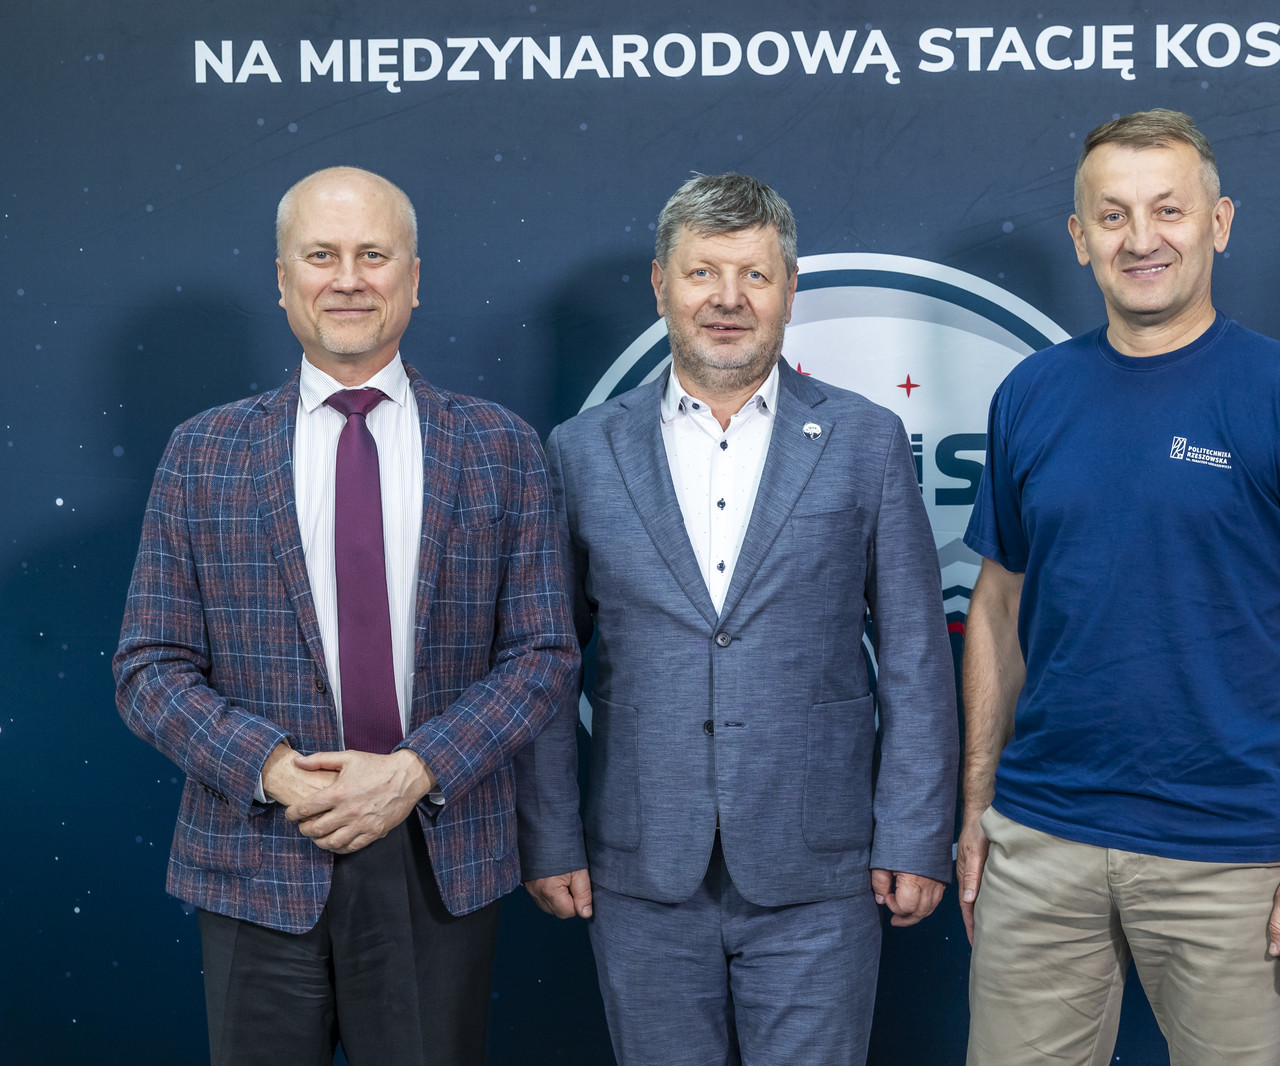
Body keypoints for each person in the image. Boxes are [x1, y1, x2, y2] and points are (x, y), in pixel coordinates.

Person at [958, 110, 1280, 1066]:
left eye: (1169, 209)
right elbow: (995, 610)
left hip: (1232, 854)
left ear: (1219, 222)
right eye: (1113, 215)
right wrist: (977, 810)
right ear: (1080, 237)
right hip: (1041, 842)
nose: (1142, 239)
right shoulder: (1030, 394)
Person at [113, 166, 578, 1065]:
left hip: (437, 856)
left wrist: (414, 771)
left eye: (374, 254)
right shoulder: (202, 453)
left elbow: (542, 655)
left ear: (414, 277)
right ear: (283, 278)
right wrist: (274, 771)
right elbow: (148, 667)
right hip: (256, 858)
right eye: (321, 256)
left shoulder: (500, 446)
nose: (349, 279)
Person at [515, 172, 958, 1066]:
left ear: (789, 288)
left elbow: (916, 657)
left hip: (821, 871)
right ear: (661, 285)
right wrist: (548, 835)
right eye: (703, 273)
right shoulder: (582, 450)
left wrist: (916, 835)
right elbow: (546, 664)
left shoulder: (865, 441)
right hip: (640, 871)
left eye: (754, 275)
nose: (728, 299)